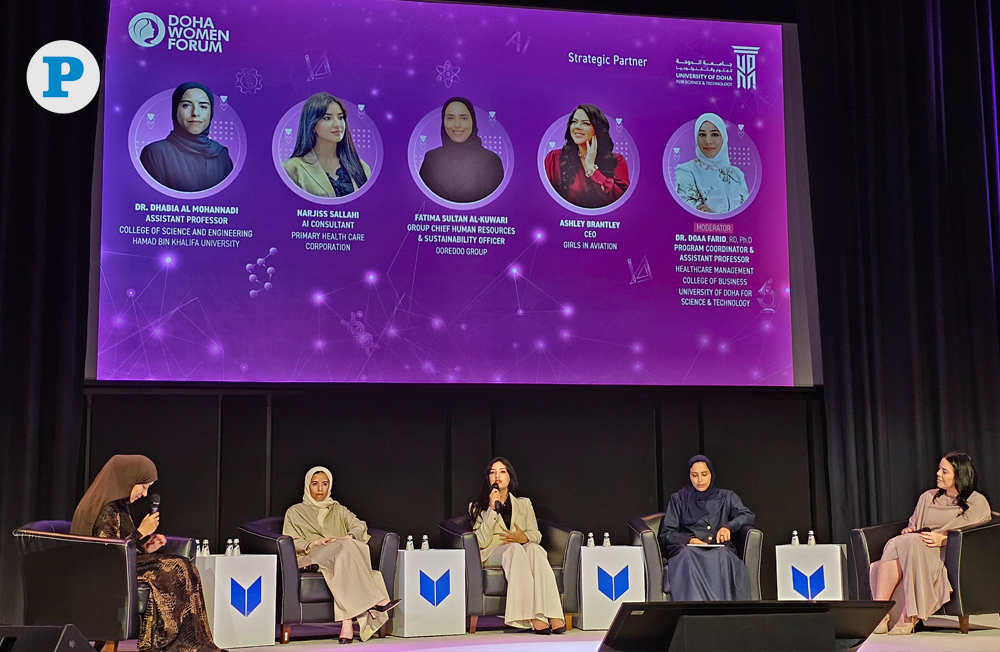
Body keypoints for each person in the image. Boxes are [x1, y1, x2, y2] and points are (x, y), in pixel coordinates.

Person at [70, 455, 223, 652]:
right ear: (128, 479)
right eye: (143, 486)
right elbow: (107, 552)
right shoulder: (105, 508)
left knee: (184, 566)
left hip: (123, 566)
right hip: (108, 572)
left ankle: (194, 643)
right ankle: (171, 644)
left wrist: (145, 546)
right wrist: (141, 532)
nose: (145, 494)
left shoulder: (119, 504)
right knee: (177, 567)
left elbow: (123, 545)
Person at [869, 452, 991, 635]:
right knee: (899, 542)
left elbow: (974, 536)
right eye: (938, 469)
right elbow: (915, 524)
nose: (938, 474)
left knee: (907, 544)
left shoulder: (976, 502)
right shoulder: (928, 497)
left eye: (944, 471)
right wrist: (910, 530)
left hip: (949, 555)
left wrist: (943, 539)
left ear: (959, 474)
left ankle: (909, 615)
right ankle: (880, 613)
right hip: (918, 546)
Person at [282, 466, 399, 644]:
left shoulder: (338, 509)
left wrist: (349, 536)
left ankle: (346, 623)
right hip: (311, 555)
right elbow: (290, 540)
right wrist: (313, 542)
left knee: (347, 550)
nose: (320, 489)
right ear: (308, 486)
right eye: (315, 484)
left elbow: (360, 525)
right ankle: (377, 600)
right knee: (348, 549)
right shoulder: (295, 512)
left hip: (340, 554)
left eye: (325, 484)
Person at [469, 457, 566, 633]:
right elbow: (481, 542)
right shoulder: (478, 507)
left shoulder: (523, 503)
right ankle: (531, 616)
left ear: (509, 477)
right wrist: (491, 509)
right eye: (492, 472)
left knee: (535, 549)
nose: (497, 476)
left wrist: (524, 538)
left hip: (520, 547)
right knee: (514, 549)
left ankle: (553, 613)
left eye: (502, 471)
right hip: (494, 552)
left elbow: (536, 535)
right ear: (488, 479)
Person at [657, 455, 755, 601]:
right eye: (694, 475)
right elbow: (667, 533)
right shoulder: (679, 499)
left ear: (711, 474)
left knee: (723, 556)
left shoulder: (727, 496)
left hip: (719, 548)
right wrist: (689, 540)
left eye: (704, 474)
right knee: (686, 556)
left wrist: (728, 527)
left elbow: (747, 515)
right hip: (689, 549)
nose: (699, 480)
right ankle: (694, 611)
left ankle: (723, 614)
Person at [139, 82, 234, 192]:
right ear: (175, 111)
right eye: (186, 105)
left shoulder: (221, 154)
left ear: (211, 112)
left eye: (203, 106)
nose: (195, 113)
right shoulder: (155, 153)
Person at [282, 93, 371, 198]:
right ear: (312, 124)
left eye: (340, 117)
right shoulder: (292, 168)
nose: (337, 124)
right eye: (327, 118)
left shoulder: (361, 167)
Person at [418, 97, 504, 203]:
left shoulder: (491, 161)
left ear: (473, 122)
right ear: (443, 122)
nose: (457, 124)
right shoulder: (431, 158)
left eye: (463, 118)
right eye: (450, 118)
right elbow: (420, 202)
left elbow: (494, 207)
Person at [544, 104, 629, 209]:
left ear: (597, 130)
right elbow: (545, 202)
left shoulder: (617, 161)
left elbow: (622, 203)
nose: (578, 126)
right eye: (574, 122)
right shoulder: (554, 159)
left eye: (585, 123)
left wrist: (591, 167)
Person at [674, 112, 749, 214]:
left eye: (714, 134)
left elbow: (747, 210)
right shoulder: (686, 170)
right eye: (702, 135)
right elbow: (693, 207)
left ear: (723, 138)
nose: (708, 141)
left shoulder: (736, 174)